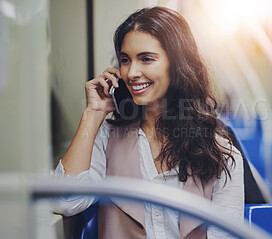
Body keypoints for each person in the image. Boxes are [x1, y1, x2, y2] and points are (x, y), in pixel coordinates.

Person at [52, 6, 244, 239]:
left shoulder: (221, 153)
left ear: (176, 64)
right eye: (125, 60)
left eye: (146, 59)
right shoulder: (107, 137)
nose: (132, 72)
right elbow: (64, 202)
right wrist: (93, 113)